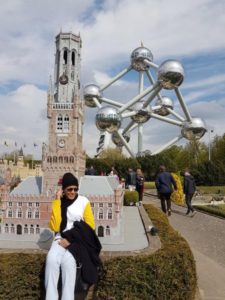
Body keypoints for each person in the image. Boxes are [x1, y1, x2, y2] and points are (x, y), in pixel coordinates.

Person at [45, 172, 101, 300]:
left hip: (78, 240)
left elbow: (90, 226)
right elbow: (55, 227)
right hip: (60, 237)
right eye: (69, 189)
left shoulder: (83, 201)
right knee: (51, 260)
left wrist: (70, 239)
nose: (73, 192)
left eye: (75, 189)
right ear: (63, 190)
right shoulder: (60, 202)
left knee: (68, 263)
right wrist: (57, 201)